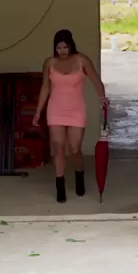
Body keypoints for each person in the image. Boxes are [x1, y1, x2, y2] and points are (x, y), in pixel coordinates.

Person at [33, 29, 108, 203]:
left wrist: (102, 98)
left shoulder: (82, 60)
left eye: (65, 47)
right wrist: (38, 111)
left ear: (71, 45)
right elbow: (45, 88)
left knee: (74, 149)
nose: (62, 51)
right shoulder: (49, 63)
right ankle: (60, 187)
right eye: (58, 47)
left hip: (76, 110)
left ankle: (79, 177)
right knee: (58, 148)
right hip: (55, 110)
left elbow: (96, 81)